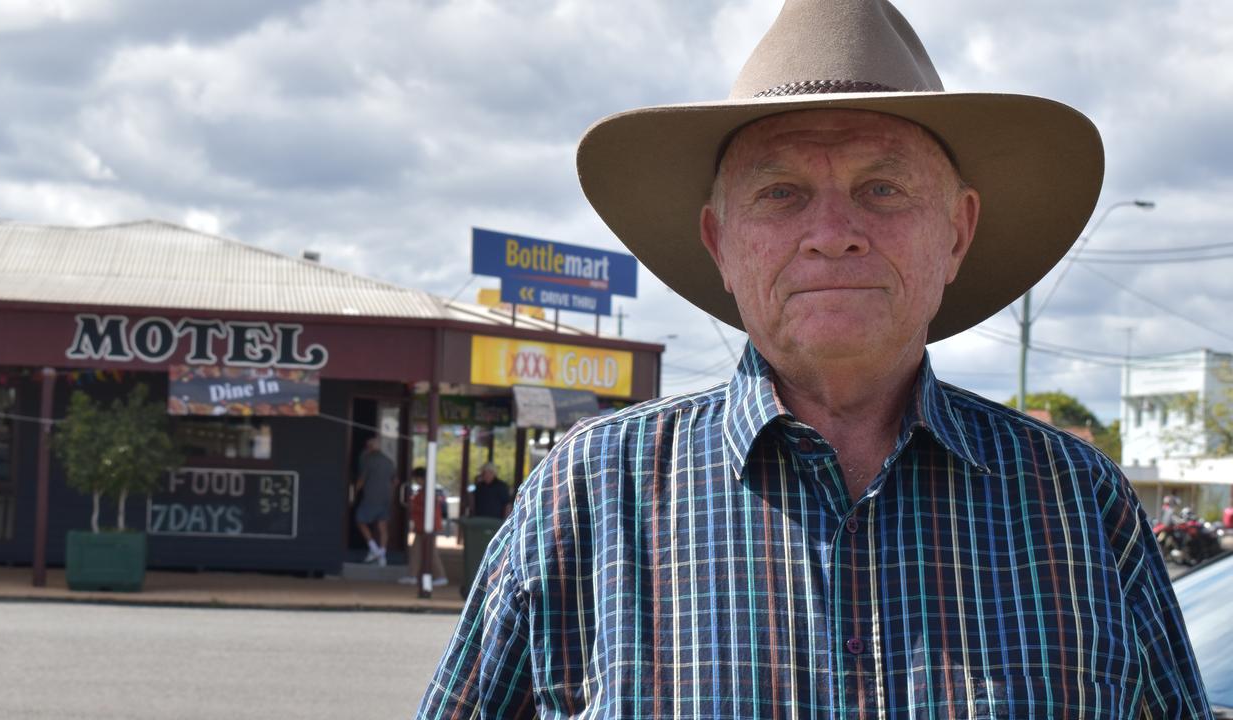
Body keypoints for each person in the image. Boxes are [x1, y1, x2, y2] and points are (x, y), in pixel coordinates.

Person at [418, 1, 1211, 717]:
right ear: (720, 243)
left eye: (884, 189)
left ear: (958, 234)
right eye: (782, 193)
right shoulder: (588, 496)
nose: (833, 232)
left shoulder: (1078, 505)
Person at [398, 467, 449, 587]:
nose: (416, 481)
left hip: (428, 526)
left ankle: (440, 576)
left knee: (430, 552)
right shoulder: (425, 491)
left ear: (421, 478)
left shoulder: (427, 491)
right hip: (423, 526)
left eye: (417, 479)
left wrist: (413, 506)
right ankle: (413, 575)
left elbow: (427, 509)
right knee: (417, 551)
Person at [352, 436, 395, 565]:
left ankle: (374, 548)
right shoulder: (389, 461)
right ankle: (382, 554)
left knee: (360, 521)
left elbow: (361, 479)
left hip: (371, 497)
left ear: (370, 446)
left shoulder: (368, 460)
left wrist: (353, 492)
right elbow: (395, 481)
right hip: (386, 498)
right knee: (383, 526)